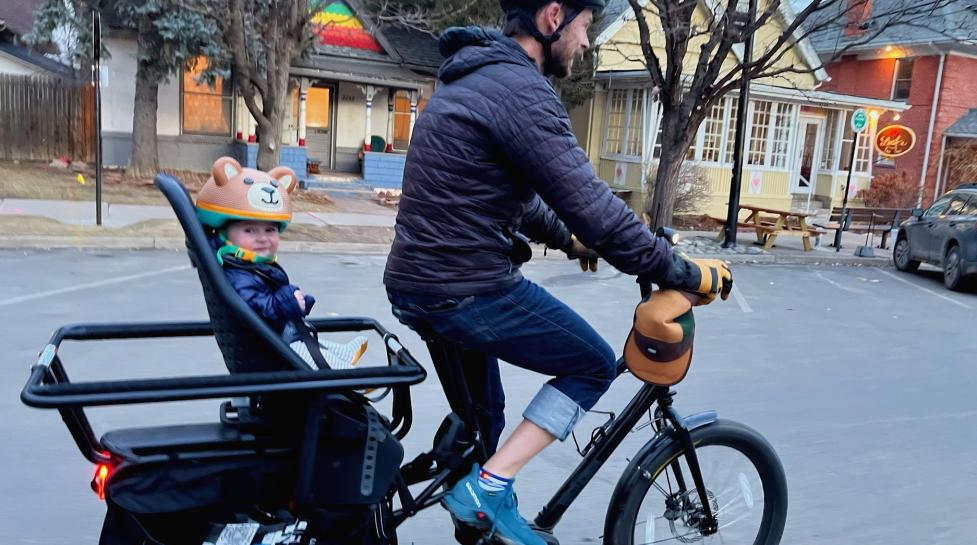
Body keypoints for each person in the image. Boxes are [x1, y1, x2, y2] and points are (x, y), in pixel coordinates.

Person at [383, 0, 733, 543]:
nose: (587, 43)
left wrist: (570, 240)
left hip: (418, 284)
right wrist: (685, 273)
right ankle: (486, 489)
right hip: (466, 286)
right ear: (553, 18)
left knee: (486, 425)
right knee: (592, 363)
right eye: (585, 26)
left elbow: (513, 199)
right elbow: (596, 208)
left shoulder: (471, 79)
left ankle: (483, 510)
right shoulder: (521, 91)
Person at [195, 156, 368, 370]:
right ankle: (348, 377)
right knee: (303, 350)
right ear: (224, 232)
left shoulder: (247, 267)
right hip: (266, 349)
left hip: (274, 338)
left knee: (309, 341)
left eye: (270, 230)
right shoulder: (237, 274)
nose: (262, 237)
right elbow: (254, 307)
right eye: (249, 230)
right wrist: (286, 302)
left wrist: (298, 302)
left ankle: (340, 356)